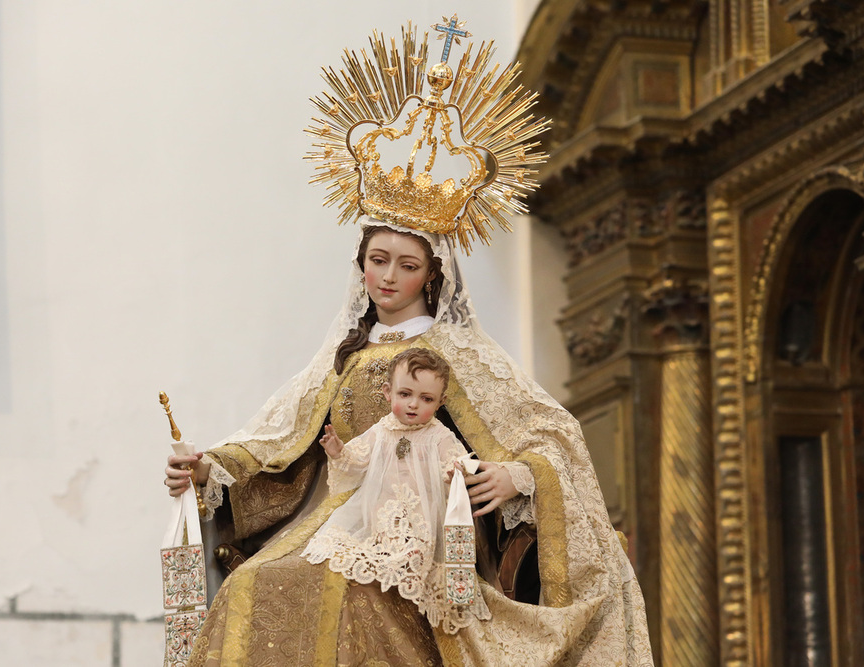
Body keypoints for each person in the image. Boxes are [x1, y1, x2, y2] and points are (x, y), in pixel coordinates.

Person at [163, 19, 652, 666]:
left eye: (407, 264)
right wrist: (208, 468)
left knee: (345, 589)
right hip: (335, 520)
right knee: (253, 584)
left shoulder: (459, 353)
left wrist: (518, 474)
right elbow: (280, 443)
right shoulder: (345, 355)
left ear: (434, 273)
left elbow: (550, 439)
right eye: (377, 259)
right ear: (360, 263)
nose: (389, 278)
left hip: (422, 535)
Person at [302, 347, 485, 634]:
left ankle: (408, 598)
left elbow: (459, 463)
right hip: (381, 512)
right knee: (350, 554)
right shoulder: (382, 430)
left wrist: (455, 472)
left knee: (414, 555)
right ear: (388, 393)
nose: (413, 405)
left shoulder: (439, 435)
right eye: (405, 394)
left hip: (421, 518)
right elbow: (357, 462)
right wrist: (339, 452)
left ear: (441, 402)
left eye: (425, 399)